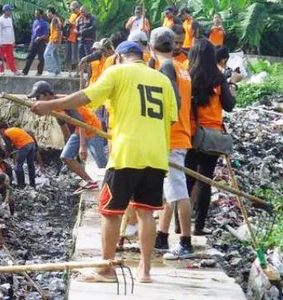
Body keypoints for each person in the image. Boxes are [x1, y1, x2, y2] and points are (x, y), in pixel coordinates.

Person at [30, 41, 177, 283]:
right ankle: (146, 270)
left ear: (119, 56)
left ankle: (107, 269)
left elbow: (86, 97)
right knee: (146, 213)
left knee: (110, 212)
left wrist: (50, 105)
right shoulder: (162, 79)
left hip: (126, 153)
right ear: (142, 56)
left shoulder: (117, 71)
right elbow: (170, 120)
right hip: (156, 155)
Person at [148, 27, 194, 259]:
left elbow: (172, 103)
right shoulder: (181, 68)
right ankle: (162, 236)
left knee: (178, 190)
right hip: (181, 134)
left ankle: (186, 242)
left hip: (171, 136)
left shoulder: (166, 68)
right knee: (170, 189)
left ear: (151, 47)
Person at [184, 39, 235, 236]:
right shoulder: (219, 78)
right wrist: (233, 86)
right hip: (212, 135)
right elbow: (229, 105)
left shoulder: (187, 76)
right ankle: (198, 226)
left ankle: (181, 225)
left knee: (187, 180)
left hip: (191, 133)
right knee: (205, 180)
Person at [28, 81, 108, 194]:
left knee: (102, 164)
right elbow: (64, 129)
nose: (37, 101)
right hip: (79, 130)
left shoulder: (65, 102)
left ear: (46, 94)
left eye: (38, 97)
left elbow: (81, 122)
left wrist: (82, 146)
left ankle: (114, 182)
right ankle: (90, 182)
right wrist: (69, 147)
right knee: (66, 156)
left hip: (91, 128)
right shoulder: (53, 108)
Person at [0, 123, 36, 188]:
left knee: (19, 166)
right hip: (32, 144)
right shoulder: (14, 129)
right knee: (31, 165)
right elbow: (15, 148)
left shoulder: (5, 133)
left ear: (2, 129)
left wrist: (5, 156)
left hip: (24, 146)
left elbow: (9, 148)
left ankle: (21, 185)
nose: (0, 133)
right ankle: (33, 184)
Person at [22, 9, 49, 76]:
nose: (35, 15)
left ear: (41, 15)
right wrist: (31, 42)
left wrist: (39, 38)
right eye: (35, 13)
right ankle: (25, 72)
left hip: (41, 43)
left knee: (41, 58)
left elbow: (46, 35)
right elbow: (33, 33)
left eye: (37, 14)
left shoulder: (44, 23)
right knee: (29, 57)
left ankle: (39, 72)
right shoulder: (35, 22)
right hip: (33, 42)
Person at [0, 4, 20, 75]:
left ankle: (14, 70)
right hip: (2, 43)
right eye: (9, 10)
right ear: (5, 11)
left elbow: (12, 30)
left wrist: (13, 40)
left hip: (9, 42)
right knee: (1, 57)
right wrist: (0, 43)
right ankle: (1, 71)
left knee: (10, 57)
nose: (10, 12)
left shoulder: (10, 20)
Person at [44, 7, 63, 76]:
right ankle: (58, 71)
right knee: (55, 55)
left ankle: (50, 71)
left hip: (54, 40)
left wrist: (56, 39)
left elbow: (58, 29)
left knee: (46, 54)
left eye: (47, 13)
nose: (47, 15)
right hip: (55, 39)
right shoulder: (56, 19)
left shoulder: (55, 19)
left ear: (51, 12)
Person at [65, 1, 81, 76]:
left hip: (76, 38)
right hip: (69, 38)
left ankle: (77, 72)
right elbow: (70, 24)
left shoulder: (81, 15)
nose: (73, 11)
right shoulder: (72, 15)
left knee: (76, 56)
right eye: (72, 9)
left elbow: (81, 25)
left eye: (74, 9)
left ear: (78, 8)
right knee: (68, 56)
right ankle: (69, 72)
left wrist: (72, 24)